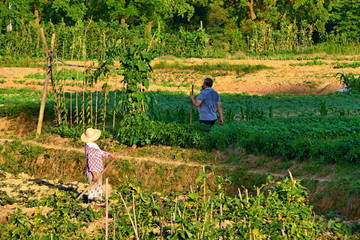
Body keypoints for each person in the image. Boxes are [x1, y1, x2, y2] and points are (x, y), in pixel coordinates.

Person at [81, 128, 118, 204]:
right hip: (93, 171)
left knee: (98, 186)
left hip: (98, 169)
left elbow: (100, 152)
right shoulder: (90, 148)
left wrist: (111, 155)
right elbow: (90, 162)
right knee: (93, 187)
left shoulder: (93, 145)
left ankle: (97, 202)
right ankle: (91, 203)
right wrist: (94, 174)